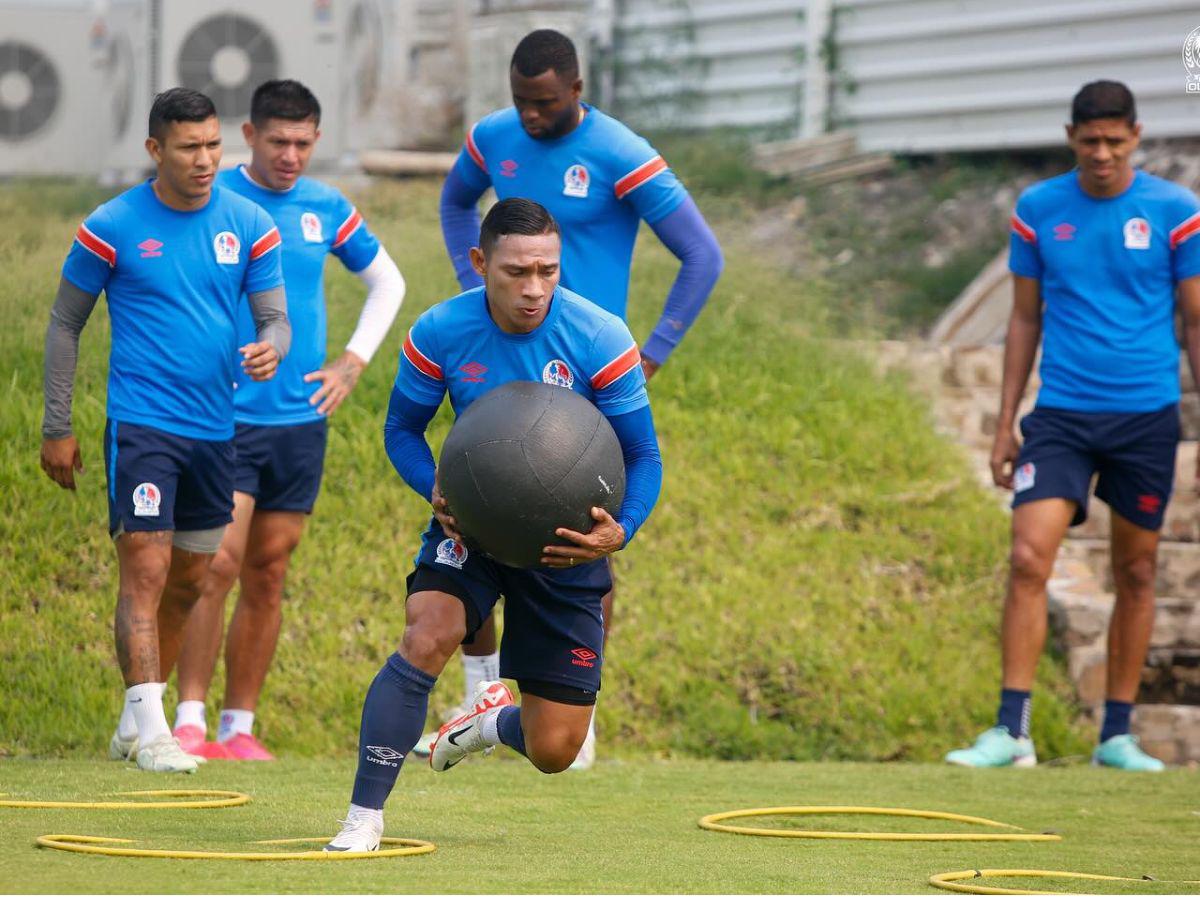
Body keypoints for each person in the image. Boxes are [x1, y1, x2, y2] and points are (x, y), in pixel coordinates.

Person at [323, 198, 663, 851]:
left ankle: (489, 725)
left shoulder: (600, 337)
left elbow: (643, 454)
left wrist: (623, 529)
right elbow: (401, 430)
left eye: (548, 270)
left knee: (555, 749)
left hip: (564, 547)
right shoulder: (440, 330)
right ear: (480, 262)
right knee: (427, 633)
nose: (535, 288)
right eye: (517, 271)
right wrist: (435, 488)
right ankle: (363, 818)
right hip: (472, 529)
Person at [431, 27, 721, 767]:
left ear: (577, 90)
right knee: (476, 510)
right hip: (500, 368)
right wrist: (475, 290)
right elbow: (457, 201)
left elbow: (702, 254)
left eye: (546, 103)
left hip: (588, 381)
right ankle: (481, 691)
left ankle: (575, 710)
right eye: (520, 101)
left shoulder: (621, 151)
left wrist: (652, 352)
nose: (530, 117)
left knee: (588, 537)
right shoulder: (492, 136)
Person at [945, 80, 1200, 771]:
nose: (1103, 154)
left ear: (1136, 136)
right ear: (1070, 138)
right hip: (1061, 413)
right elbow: (1023, 319)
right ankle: (1012, 732)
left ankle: (1116, 735)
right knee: (1029, 556)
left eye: (1115, 141)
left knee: (1137, 570)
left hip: (1146, 416)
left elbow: (1195, 319)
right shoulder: (1039, 209)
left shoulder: (1176, 211)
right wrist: (1005, 423)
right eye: (1090, 141)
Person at [39, 87, 289, 773]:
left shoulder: (250, 223)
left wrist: (272, 347)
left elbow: (274, 318)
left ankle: (133, 721)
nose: (205, 160)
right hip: (143, 425)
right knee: (146, 569)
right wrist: (57, 424)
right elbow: (64, 324)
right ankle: (155, 734)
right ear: (155, 149)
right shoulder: (112, 224)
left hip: (216, 430)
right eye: (188, 147)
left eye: (213, 145)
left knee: (190, 580)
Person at [169, 80, 405, 761]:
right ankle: (188, 720)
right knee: (216, 563)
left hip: (300, 420)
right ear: (250, 135)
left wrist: (351, 364)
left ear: (317, 140)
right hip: (225, 417)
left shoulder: (325, 207)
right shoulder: (212, 198)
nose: (291, 155)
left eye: (303, 143)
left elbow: (388, 282)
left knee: (268, 571)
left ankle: (238, 728)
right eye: (278, 141)